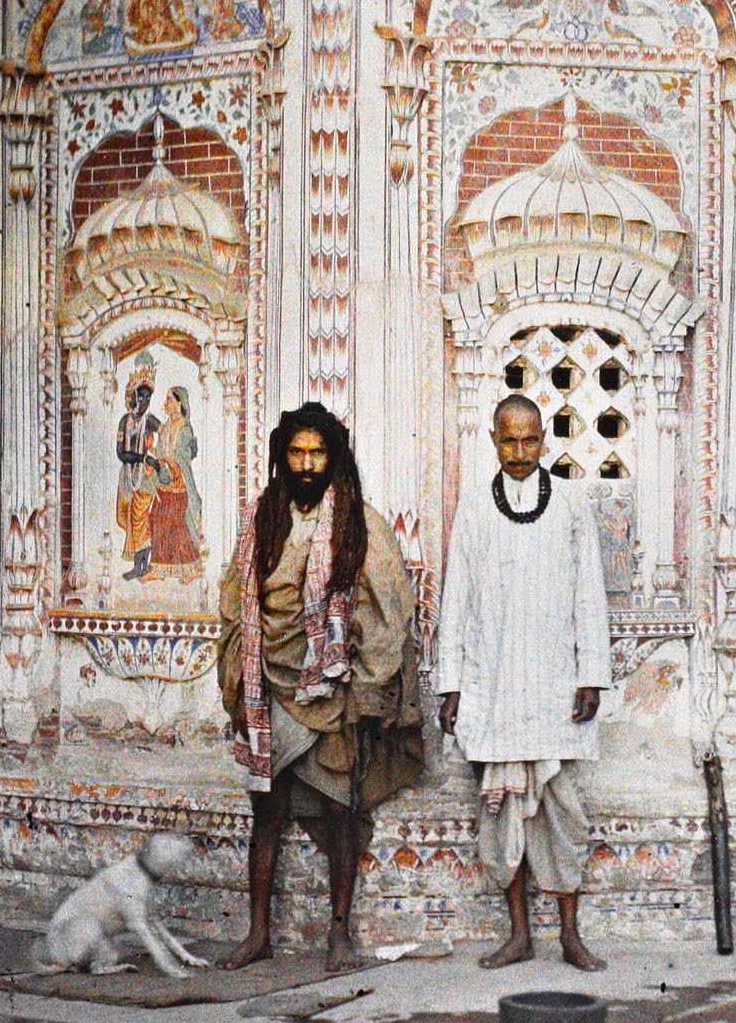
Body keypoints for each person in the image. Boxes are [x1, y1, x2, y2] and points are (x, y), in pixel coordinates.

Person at [217, 403, 423, 971]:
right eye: (297, 452)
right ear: (283, 457)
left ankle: (338, 936)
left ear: (333, 458)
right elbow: (237, 600)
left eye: (318, 453)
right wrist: (239, 678)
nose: (307, 464)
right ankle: (257, 934)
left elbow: (389, 605)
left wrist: (366, 682)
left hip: (329, 689)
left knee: (340, 812)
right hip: (270, 689)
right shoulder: (263, 517)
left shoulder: (357, 521)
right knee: (267, 815)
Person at [437, 393, 612, 972]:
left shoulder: (568, 503)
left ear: (544, 441)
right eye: (508, 440)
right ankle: (517, 935)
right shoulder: (474, 508)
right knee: (502, 813)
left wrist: (591, 675)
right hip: (494, 683)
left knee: (560, 814)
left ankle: (569, 933)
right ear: (492, 439)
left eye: (529, 440)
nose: (519, 452)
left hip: (553, 686)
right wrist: (452, 685)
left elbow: (590, 592)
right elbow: (455, 598)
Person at [149, 386, 204, 581]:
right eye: (167, 400)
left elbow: (186, 454)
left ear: (180, 403)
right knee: (155, 517)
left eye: (170, 400)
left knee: (178, 524)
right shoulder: (166, 427)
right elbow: (161, 452)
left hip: (179, 483)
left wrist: (173, 461)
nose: (167, 404)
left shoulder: (184, 428)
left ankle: (191, 569)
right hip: (164, 481)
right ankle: (158, 569)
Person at [116, 373, 159, 581]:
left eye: (147, 399)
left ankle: (142, 566)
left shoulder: (150, 421)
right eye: (140, 397)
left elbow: (166, 435)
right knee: (127, 519)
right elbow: (120, 453)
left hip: (145, 478)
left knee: (141, 519)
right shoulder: (125, 421)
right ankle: (139, 565)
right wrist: (142, 457)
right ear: (132, 397)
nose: (143, 402)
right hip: (128, 477)